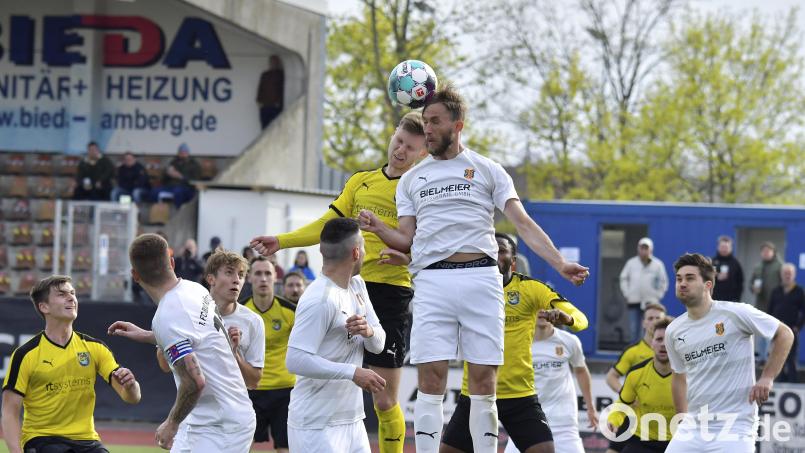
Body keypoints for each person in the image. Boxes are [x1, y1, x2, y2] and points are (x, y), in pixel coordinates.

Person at [358, 83, 589, 453]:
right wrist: (378, 228)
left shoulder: (488, 169)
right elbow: (406, 238)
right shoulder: (413, 179)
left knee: (484, 382)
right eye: (425, 122)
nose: (428, 129)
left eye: (435, 122)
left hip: (482, 279)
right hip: (431, 282)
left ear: (458, 125)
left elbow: (523, 223)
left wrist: (559, 263)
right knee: (431, 379)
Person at [251, 111, 427, 453]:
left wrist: (408, 259)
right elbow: (327, 225)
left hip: (390, 293)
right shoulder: (361, 181)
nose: (401, 150)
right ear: (392, 136)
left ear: (422, 153)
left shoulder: (420, 189)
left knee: (385, 399)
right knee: (321, 366)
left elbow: (427, 244)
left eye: (411, 147)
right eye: (399, 141)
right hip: (347, 287)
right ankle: (314, 431)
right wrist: (281, 241)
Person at [438, 232, 591, 453]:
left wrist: (566, 318)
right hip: (475, 393)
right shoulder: (468, 288)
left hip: (519, 395)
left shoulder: (531, 289)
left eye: (501, 250)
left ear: (513, 260)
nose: (495, 254)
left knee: (545, 450)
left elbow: (581, 320)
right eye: (490, 249)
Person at [108, 233, 255, 451]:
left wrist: (171, 423)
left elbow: (195, 381)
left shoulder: (167, 317)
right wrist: (150, 335)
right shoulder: (194, 289)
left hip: (220, 425)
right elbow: (198, 336)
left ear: (135, 275)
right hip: (213, 417)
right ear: (172, 262)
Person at [664, 253, 793, 453]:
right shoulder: (674, 331)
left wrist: (767, 377)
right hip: (693, 427)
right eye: (679, 279)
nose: (682, 283)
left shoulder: (737, 313)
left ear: (708, 285)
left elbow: (784, 334)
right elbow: (678, 378)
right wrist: (682, 420)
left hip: (735, 428)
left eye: (690, 278)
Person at [2, 275, 141, 453]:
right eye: (62, 294)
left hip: (87, 441)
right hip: (42, 440)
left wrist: (131, 386)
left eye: (72, 293)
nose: (71, 298)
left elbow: (132, 397)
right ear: (44, 307)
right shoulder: (25, 354)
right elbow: (9, 412)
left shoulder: (95, 348)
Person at [284, 218, 386, 452]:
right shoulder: (319, 299)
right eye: (364, 247)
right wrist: (352, 373)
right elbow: (295, 359)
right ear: (356, 252)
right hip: (316, 425)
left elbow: (378, 344)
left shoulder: (357, 284)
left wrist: (368, 331)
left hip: (353, 420)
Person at [242, 256, 297, 452]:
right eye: (258, 273)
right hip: (250, 391)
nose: (263, 279)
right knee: (241, 446)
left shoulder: (290, 311)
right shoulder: (240, 311)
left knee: (285, 447)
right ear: (249, 278)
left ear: (275, 277)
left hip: (286, 391)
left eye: (267, 273)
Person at [603, 303, 667, 453]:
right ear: (643, 322)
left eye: (658, 318)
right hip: (634, 415)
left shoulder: (673, 351)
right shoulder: (634, 351)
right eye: (650, 318)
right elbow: (611, 377)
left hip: (664, 419)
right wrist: (629, 396)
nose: (654, 321)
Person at [203, 250, 265, 389]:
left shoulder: (253, 321)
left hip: (236, 408)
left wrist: (233, 353)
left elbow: (253, 382)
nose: (237, 280)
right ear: (211, 279)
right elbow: (165, 364)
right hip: (197, 408)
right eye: (229, 272)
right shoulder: (192, 313)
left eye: (241, 275)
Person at [619, 238, 668, 342]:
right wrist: (627, 294)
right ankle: (635, 354)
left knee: (648, 329)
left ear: (651, 249)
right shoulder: (631, 263)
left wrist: (657, 296)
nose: (644, 250)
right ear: (638, 249)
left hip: (650, 303)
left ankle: (648, 352)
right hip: (634, 301)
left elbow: (663, 282)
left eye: (646, 248)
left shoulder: (658, 265)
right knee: (633, 329)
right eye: (642, 248)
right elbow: (623, 278)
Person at [768, 263, 805, 383]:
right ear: (781, 274)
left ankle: (793, 383)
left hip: (791, 331)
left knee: (791, 359)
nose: (787, 275)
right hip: (777, 330)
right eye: (785, 273)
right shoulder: (775, 291)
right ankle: (779, 382)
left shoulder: (799, 291)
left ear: (794, 275)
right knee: (777, 358)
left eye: (790, 273)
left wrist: (798, 327)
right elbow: (769, 310)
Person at [750, 241, 783, 363]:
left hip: (775, 305)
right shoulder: (758, 266)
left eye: (768, 251)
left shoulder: (780, 266)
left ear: (773, 252)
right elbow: (751, 282)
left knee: (773, 331)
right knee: (762, 330)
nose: (765, 253)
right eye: (763, 251)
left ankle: (771, 357)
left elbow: (783, 284)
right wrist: (753, 288)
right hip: (761, 303)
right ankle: (763, 357)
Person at [151, 143, 201, 207]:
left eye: (184, 152)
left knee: (178, 192)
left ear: (188, 153)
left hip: (185, 187)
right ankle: (158, 210)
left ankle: (178, 211)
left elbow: (195, 180)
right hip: (170, 185)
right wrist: (167, 173)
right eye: (181, 152)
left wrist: (180, 176)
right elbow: (164, 180)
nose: (182, 154)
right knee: (154, 191)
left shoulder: (194, 165)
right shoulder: (174, 162)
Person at [711, 235, 744, 302]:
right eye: (722, 247)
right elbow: (705, 279)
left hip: (731, 300)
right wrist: (716, 277)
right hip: (714, 300)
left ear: (731, 248)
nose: (724, 249)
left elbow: (740, 282)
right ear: (718, 247)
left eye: (726, 247)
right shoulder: (712, 262)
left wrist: (737, 299)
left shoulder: (736, 263)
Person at [256, 55, 285, 129]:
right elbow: (261, 88)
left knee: (276, 127)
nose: (273, 64)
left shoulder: (281, 75)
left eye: (275, 62)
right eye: (272, 62)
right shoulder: (265, 75)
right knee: (264, 127)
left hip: (276, 107)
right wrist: (259, 100)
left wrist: (279, 102)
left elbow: (282, 89)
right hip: (265, 106)